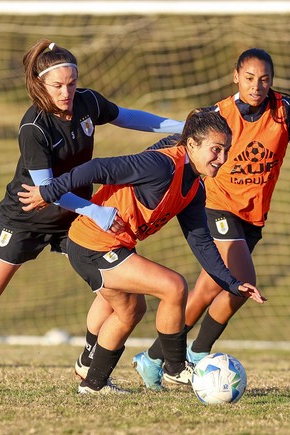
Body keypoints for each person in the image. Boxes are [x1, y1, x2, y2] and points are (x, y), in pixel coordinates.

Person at [0, 38, 184, 392]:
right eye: (58, 85)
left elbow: (127, 117)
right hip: (26, 218)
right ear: (41, 85)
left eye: (71, 83)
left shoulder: (87, 102)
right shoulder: (34, 127)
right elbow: (47, 191)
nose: (67, 92)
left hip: (73, 221)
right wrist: (94, 210)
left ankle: (89, 365)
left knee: (116, 290)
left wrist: (180, 126)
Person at [18, 108, 267, 395]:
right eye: (215, 149)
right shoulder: (160, 166)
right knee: (173, 286)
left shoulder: (195, 187)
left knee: (130, 311)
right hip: (91, 244)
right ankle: (174, 367)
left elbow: (201, 243)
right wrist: (50, 191)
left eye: (226, 151)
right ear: (191, 145)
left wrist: (232, 283)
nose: (222, 159)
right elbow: (96, 167)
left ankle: (94, 383)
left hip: (109, 246)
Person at [132, 47, 290, 390]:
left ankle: (153, 358)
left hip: (252, 217)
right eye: (249, 78)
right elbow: (182, 141)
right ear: (235, 77)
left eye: (264, 79)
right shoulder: (221, 113)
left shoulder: (285, 109)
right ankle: (198, 354)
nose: (257, 86)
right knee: (242, 280)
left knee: (208, 288)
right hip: (216, 205)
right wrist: (138, 165)